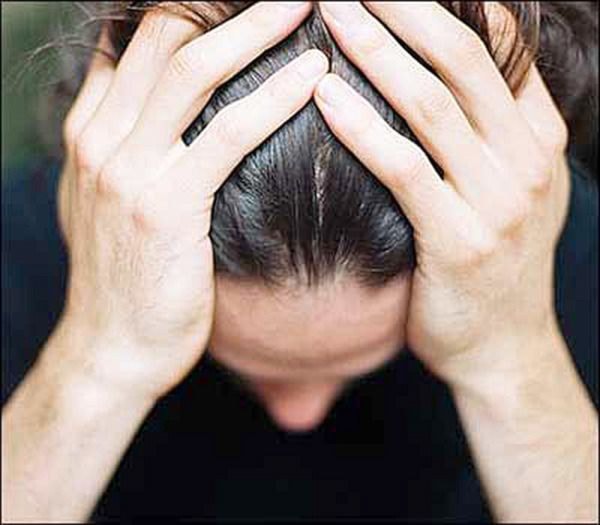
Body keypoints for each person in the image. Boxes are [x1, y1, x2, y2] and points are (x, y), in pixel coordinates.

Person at [2, 1, 598, 521]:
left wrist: (513, 365)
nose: (299, 415)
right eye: (239, 360)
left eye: (367, 358)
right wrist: (100, 362)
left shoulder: (561, 257)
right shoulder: (17, 257)